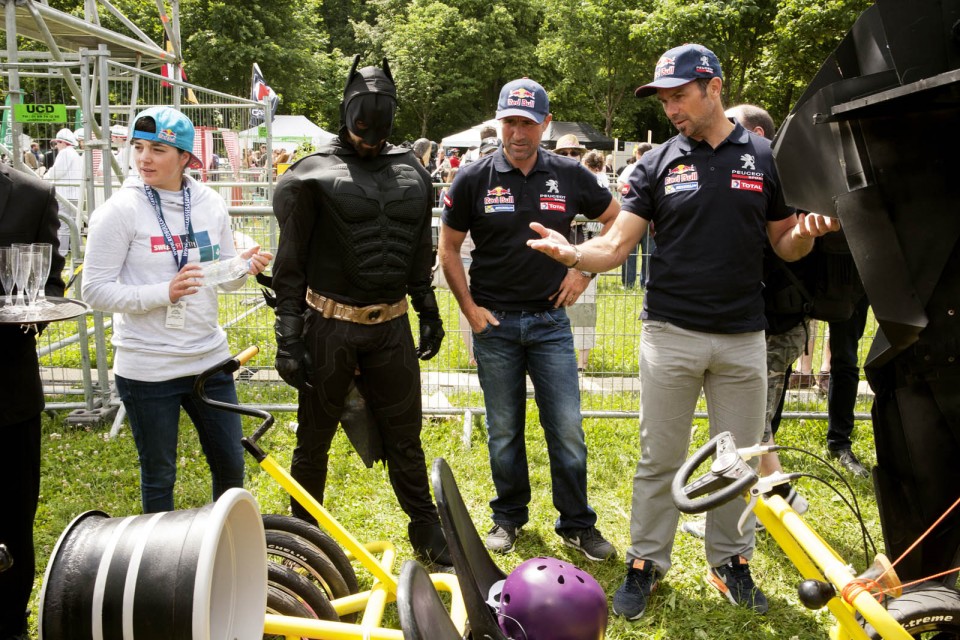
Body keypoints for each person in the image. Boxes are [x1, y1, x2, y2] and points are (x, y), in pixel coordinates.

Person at [526, 44, 839, 618]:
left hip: (744, 334)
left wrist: (808, 233)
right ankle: (645, 565)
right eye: (663, 98)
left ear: (713, 87)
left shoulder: (765, 158)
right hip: (670, 333)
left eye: (679, 95)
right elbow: (616, 245)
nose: (670, 108)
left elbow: (783, 242)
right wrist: (572, 253)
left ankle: (730, 564)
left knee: (738, 460)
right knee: (659, 457)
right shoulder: (656, 163)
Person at [270, 57, 450, 567]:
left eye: (380, 127)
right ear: (347, 116)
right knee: (313, 441)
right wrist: (288, 335)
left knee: (404, 436)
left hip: (390, 324)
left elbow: (417, 248)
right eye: (361, 127)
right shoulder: (309, 175)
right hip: (328, 325)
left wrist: (428, 306)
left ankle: (425, 526)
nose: (370, 138)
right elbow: (290, 263)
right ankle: (304, 543)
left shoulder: (413, 170)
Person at [439, 77, 620, 561]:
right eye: (510, 122)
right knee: (503, 431)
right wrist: (469, 310)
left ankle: (577, 525)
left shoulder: (569, 173)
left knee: (566, 429)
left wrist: (582, 269)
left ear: (545, 122)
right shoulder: (473, 177)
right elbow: (449, 249)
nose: (518, 132)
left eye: (527, 122)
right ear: (500, 122)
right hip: (494, 326)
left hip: (550, 323)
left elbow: (619, 222)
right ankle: (508, 518)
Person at [83, 106, 272, 514]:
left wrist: (244, 266)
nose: (144, 158)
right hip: (148, 367)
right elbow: (94, 291)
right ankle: (159, 567)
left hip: (209, 360)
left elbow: (223, 275)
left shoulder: (208, 202)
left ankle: (224, 554)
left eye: (158, 149)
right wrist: (162, 292)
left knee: (231, 466)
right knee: (159, 475)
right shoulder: (119, 211)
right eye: (138, 147)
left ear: (186, 158)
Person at [0, 164, 64, 640]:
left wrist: (24, 322)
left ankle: (10, 619)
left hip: (8, 390)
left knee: (13, 515)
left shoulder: (32, 193)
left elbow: (51, 288)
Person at [618, 142, 654, 289]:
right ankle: (644, 283)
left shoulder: (632, 168)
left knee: (633, 251)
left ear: (637, 153)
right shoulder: (654, 166)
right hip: (647, 215)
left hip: (633, 214)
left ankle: (629, 283)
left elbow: (620, 186)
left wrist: (631, 193)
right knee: (648, 252)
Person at [44, 128, 82, 256]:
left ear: (63, 142)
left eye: (58, 143)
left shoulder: (65, 153)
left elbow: (56, 172)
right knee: (72, 223)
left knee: (63, 224)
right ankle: (76, 249)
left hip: (65, 194)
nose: (56, 146)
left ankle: (61, 252)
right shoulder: (74, 154)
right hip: (74, 194)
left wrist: (45, 176)